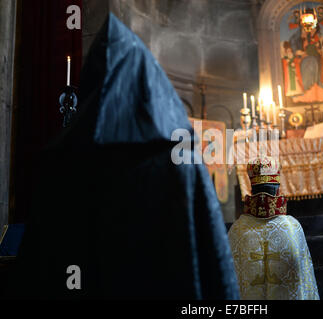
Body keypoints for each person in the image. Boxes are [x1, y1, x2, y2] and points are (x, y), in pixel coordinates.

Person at [6, 13, 240, 299]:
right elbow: (215, 267)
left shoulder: (61, 163)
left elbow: (37, 270)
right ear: (147, 83)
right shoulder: (180, 161)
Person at [228, 156, 319, 300]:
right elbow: (307, 286)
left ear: (251, 189)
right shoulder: (292, 228)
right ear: (277, 190)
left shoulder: (236, 231)